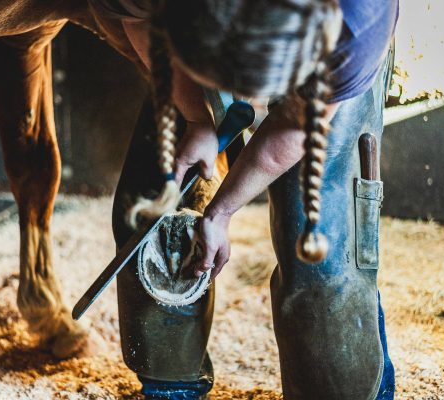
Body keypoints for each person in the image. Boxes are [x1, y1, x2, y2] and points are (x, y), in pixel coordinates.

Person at [106, 0, 399, 398]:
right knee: (157, 209)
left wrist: (223, 210)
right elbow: (138, 21)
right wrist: (197, 114)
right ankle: (170, 389)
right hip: (193, 36)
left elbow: (295, 126)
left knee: (322, 256)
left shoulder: (357, 23)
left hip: (323, 68)